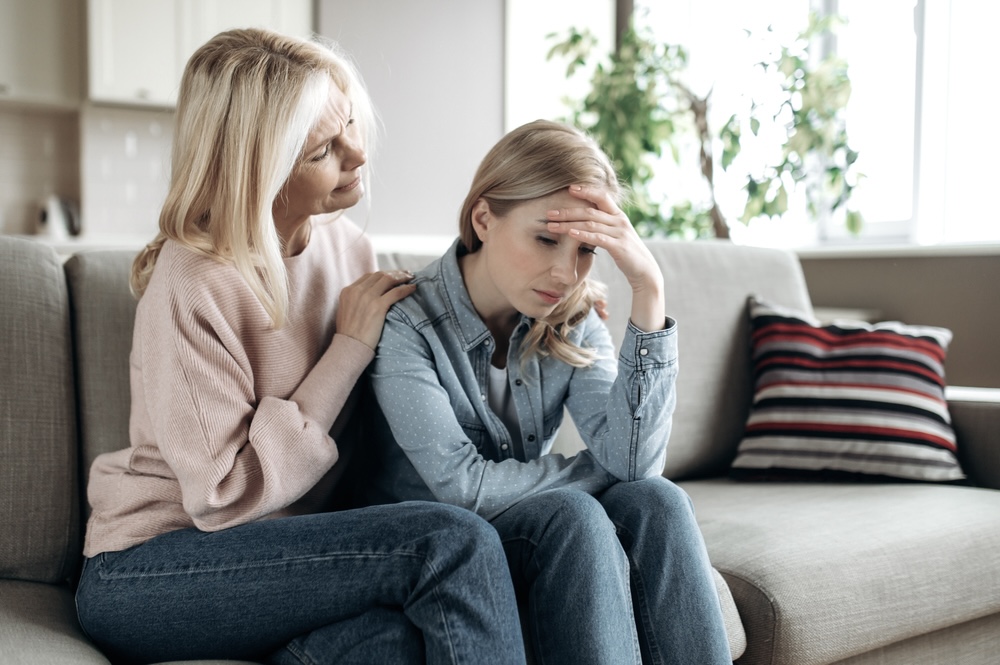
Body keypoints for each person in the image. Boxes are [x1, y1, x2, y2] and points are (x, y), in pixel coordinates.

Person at [74, 28, 525, 665]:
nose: (357, 153)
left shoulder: (346, 248)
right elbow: (222, 495)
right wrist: (347, 348)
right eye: (325, 149)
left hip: (287, 558)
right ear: (262, 172)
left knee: (412, 640)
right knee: (449, 543)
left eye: (348, 123)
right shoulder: (195, 280)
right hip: (152, 568)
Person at [366, 119, 732, 664]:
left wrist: (648, 291)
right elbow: (461, 489)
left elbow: (636, 466)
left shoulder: (573, 315)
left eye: (586, 250)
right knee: (573, 515)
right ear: (484, 217)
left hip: (527, 530)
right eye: (545, 239)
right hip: (441, 552)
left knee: (659, 500)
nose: (566, 272)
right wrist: (598, 468)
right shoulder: (407, 323)